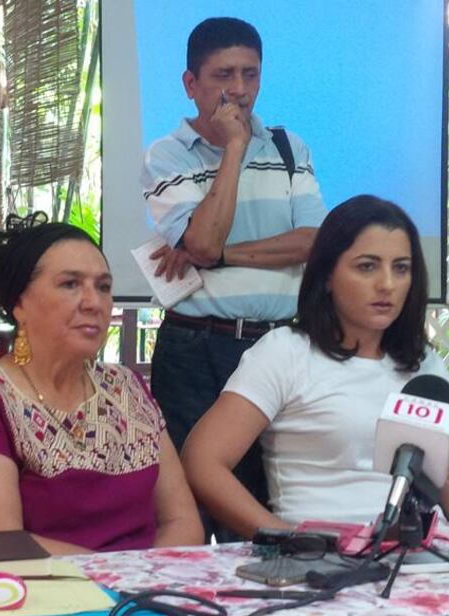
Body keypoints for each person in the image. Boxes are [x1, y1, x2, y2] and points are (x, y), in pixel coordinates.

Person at [180, 195, 449, 537]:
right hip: (318, 563)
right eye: (367, 266)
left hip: (423, 559)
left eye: (401, 268)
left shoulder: (426, 365)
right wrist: (284, 540)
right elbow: (202, 462)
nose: (387, 284)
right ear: (327, 275)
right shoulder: (285, 352)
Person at [0, 222, 202, 554]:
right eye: (70, 284)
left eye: (103, 287)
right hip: (19, 598)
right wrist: (119, 579)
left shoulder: (126, 389)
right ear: (18, 303)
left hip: (136, 594)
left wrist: (143, 584)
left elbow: (183, 522)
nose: (94, 302)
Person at [141, 17, 328, 525]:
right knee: (199, 506)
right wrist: (236, 148)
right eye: (224, 75)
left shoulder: (291, 148)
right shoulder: (167, 155)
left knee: (274, 497)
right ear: (190, 84)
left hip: (282, 345)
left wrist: (222, 255)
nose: (240, 91)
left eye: (251, 74)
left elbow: (313, 243)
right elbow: (200, 240)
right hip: (196, 349)